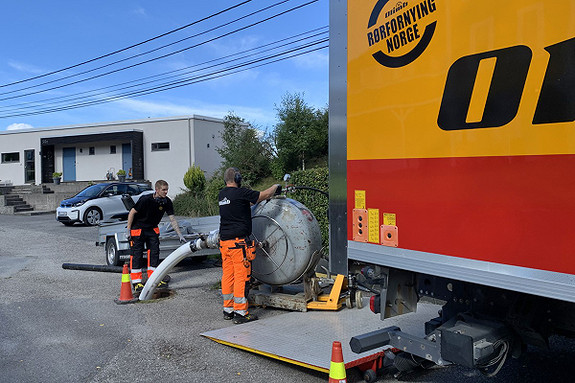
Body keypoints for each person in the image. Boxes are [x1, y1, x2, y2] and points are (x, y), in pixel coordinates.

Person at [218, 167, 280, 324]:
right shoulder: (241, 193)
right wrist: (274, 187)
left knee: (228, 276)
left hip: (225, 243)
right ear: (238, 179)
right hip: (238, 244)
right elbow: (263, 195)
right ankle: (240, 312)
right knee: (241, 277)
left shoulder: (222, 194)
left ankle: (228, 309)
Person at [127, 179, 185, 295]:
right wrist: (128, 229)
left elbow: (172, 219)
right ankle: (137, 282)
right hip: (138, 228)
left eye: (167, 189)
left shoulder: (167, 202)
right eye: (163, 190)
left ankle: (154, 279)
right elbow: (132, 212)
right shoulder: (145, 199)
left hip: (152, 228)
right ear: (157, 190)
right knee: (137, 254)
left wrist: (179, 234)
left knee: (154, 253)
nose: (166, 192)